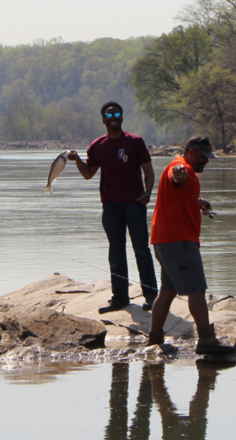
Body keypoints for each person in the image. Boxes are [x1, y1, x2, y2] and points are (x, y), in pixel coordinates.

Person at [147, 136, 235, 354]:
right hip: (179, 242)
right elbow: (176, 177)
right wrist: (179, 174)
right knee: (197, 290)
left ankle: (155, 338)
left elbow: (179, 189)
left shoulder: (185, 170)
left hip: (163, 240)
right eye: (203, 157)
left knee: (167, 291)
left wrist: (197, 201)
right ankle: (207, 341)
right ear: (191, 152)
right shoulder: (180, 167)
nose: (206, 161)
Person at [68, 101, 158, 314]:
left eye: (117, 113)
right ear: (103, 120)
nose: (113, 117)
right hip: (111, 207)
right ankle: (120, 298)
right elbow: (88, 174)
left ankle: (152, 296)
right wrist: (77, 160)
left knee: (142, 250)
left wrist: (148, 193)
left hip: (134, 204)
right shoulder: (98, 146)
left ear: (122, 118)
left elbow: (149, 171)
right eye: (109, 115)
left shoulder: (135, 142)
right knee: (116, 253)